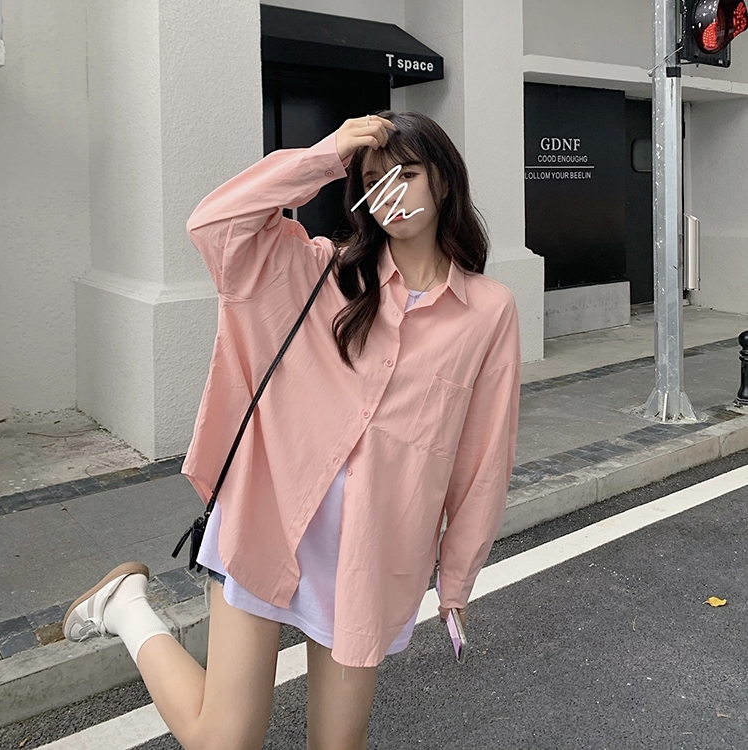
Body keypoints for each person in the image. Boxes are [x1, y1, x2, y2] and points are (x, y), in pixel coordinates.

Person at [62, 110, 521, 750]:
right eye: (374, 181)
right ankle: (127, 607)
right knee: (224, 741)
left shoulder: (489, 311)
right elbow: (213, 225)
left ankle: (125, 605)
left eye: (408, 175)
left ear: (444, 180)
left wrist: (457, 577)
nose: (391, 193)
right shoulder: (319, 271)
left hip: (368, 556)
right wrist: (325, 156)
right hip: (268, 523)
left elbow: (482, 459)